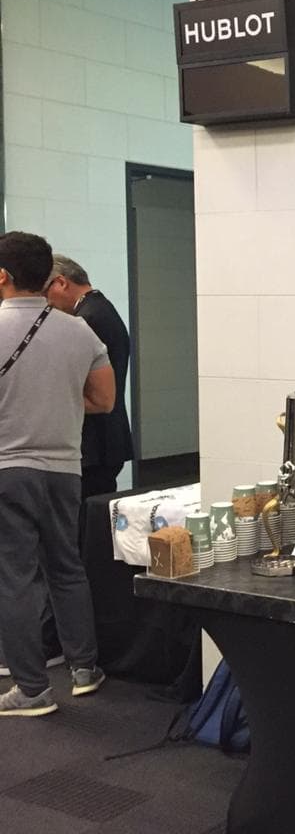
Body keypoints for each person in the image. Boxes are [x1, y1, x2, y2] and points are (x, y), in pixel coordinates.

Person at [0, 232, 114, 716]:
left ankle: (31, 690)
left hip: (7, 469)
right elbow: (105, 401)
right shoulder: (79, 331)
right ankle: (84, 669)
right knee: (66, 567)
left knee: (16, 577)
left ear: (2, 276)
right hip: (66, 469)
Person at [45, 255, 135, 499]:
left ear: (61, 283)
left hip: (94, 442)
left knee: (86, 523)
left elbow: (78, 385)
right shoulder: (100, 308)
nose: (46, 304)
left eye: (45, 293)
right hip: (106, 437)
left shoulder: (86, 320)